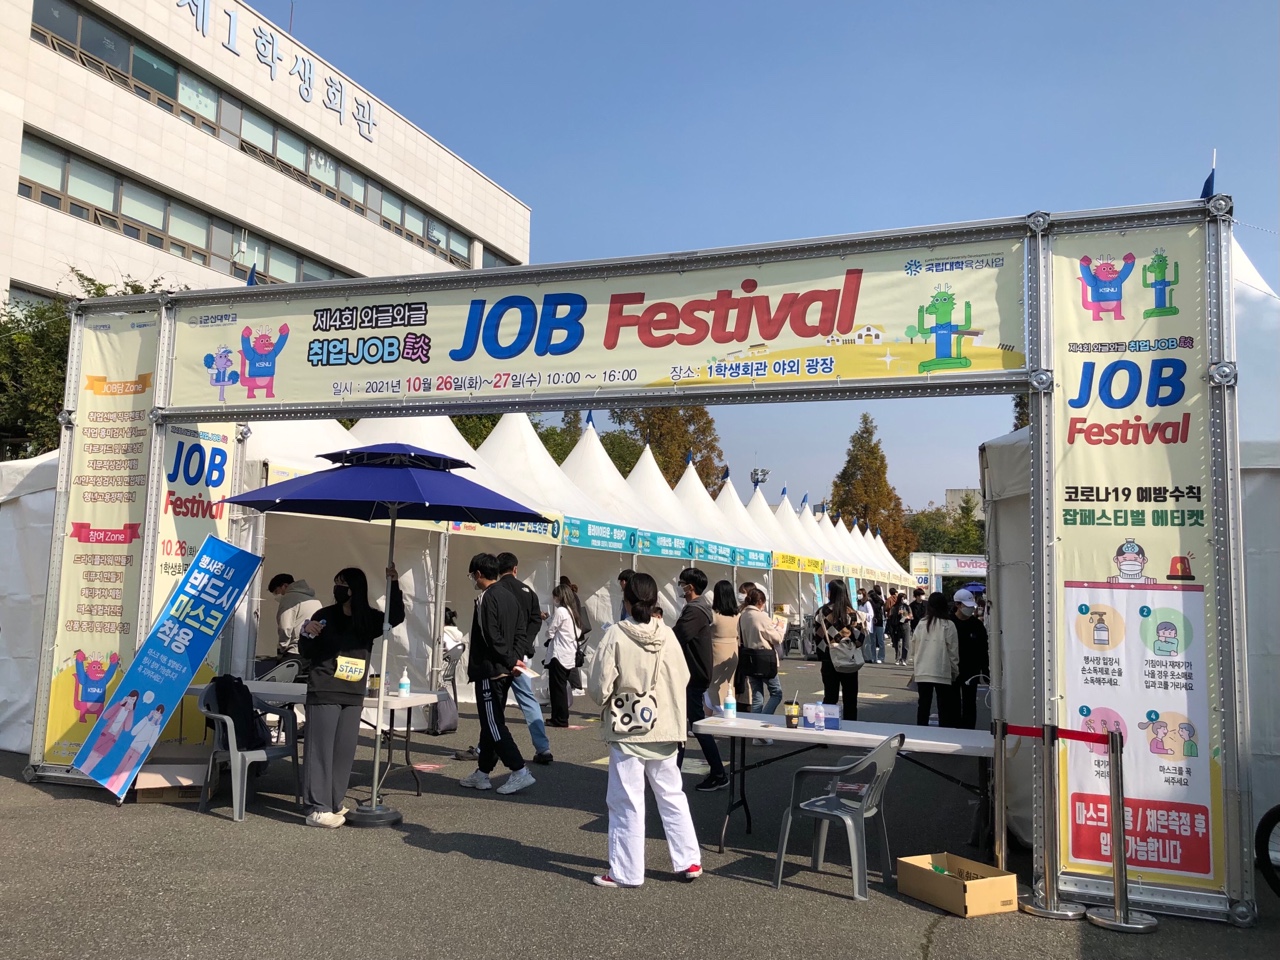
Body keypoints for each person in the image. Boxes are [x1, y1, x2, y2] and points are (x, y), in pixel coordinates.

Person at [587, 572, 702, 887]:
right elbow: (683, 678)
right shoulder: (667, 634)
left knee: (627, 799)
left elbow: (598, 687)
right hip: (665, 726)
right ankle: (689, 859)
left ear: (626, 600)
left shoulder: (616, 635)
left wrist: (611, 697)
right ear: (655, 603)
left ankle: (627, 871)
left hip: (628, 729)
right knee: (671, 794)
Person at [299, 564, 405, 827]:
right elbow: (306, 650)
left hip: (353, 691)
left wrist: (394, 584)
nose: (338, 589)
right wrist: (307, 632)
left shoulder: (367, 619)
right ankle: (317, 808)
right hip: (324, 688)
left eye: (343, 584)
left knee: (344, 750)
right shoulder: (324, 614)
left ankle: (335, 802)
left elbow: (396, 616)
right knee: (320, 749)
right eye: (336, 583)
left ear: (354, 589)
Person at [459, 553, 535, 795]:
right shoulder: (510, 597)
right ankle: (483, 772)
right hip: (506, 669)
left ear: (479, 574)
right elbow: (522, 631)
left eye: (472, 575)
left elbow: (490, 636)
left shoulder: (486, 598)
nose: (472, 579)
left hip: (491, 670)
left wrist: (511, 659)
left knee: (493, 723)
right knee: (490, 722)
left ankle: (519, 770)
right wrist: (517, 658)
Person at [495, 552, 553, 765]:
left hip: (500, 657)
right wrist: (525, 646)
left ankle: (486, 746)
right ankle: (543, 748)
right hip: (521, 658)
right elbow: (535, 620)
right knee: (528, 700)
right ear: (516, 569)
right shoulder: (527, 591)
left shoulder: (496, 590)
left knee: (493, 702)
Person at [672, 567, 727, 791]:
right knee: (690, 723)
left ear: (690, 587)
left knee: (691, 724)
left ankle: (717, 772)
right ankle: (713, 771)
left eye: (681, 583)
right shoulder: (699, 608)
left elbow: (678, 636)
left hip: (692, 674)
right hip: (696, 673)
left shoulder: (694, 611)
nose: (679, 586)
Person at [738, 587, 785, 744]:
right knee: (776, 693)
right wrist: (779, 628)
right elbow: (776, 638)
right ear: (760, 602)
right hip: (765, 658)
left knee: (757, 695)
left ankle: (754, 732)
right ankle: (761, 727)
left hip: (750, 659)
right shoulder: (762, 616)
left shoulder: (743, 615)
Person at [814, 579, 864, 720]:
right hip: (848, 659)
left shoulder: (822, 612)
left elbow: (817, 637)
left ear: (831, 592)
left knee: (830, 697)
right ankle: (850, 730)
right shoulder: (851, 613)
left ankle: (826, 730)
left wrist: (824, 653)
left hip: (829, 658)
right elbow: (860, 638)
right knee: (850, 698)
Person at [912, 591, 960, 728]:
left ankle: (920, 734)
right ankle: (943, 735)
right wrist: (954, 671)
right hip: (942, 669)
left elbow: (914, 647)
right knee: (944, 707)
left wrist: (916, 666)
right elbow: (953, 652)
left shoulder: (922, 623)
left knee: (923, 706)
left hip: (923, 670)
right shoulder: (948, 625)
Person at [105, 704, 165, 795]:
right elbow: (134, 732)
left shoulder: (155, 728)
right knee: (120, 768)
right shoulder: (145, 721)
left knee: (126, 772)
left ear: (161, 716)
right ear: (153, 711)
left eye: (160, 713)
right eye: (157, 711)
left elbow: (151, 743)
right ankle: (110, 786)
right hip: (132, 748)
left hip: (138, 752)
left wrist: (158, 725)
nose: (157, 714)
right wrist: (147, 718)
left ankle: (118, 789)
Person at [951, 588, 990, 730]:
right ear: (957, 604)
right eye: (966, 606)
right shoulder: (949, 623)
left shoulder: (977, 625)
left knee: (970, 703)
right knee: (953, 703)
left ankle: (969, 731)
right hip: (952, 669)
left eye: (971, 607)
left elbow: (984, 650)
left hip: (972, 670)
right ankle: (953, 731)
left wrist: (986, 671)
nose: (969, 609)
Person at [543, 584, 581, 728]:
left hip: (558, 654)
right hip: (569, 653)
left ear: (559, 597)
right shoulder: (572, 612)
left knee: (556, 688)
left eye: (555, 596)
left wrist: (549, 633)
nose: (554, 599)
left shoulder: (561, 611)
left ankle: (559, 718)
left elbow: (552, 630)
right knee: (562, 687)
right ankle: (560, 717)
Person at [79, 690, 138, 776]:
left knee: (98, 758)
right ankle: (82, 771)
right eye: (130, 698)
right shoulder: (119, 706)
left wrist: (131, 711)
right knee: (92, 755)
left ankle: (86, 774)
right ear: (127, 697)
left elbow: (127, 728)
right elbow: (106, 716)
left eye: (133, 700)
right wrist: (120, 703)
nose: (131, 701)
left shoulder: (130, 713)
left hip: (113, 739)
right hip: (105, 734)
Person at [267, 573, 322, 660]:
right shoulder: (314, 599)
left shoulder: (289, 598)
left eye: (277, 592)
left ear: (285, 586)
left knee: (282, 673)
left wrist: (282, 647)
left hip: (295, 651)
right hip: (313, 650)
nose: (278, 596)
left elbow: (285, 627)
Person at [708, 580, 740, 711]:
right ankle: (729, 708)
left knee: (713, 684)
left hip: (716, 648)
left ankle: (714, 709)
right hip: (733, 649)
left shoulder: (713, 613)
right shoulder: (738, 613)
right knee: (729, 683)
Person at [889, 589, 913, 664]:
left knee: (906, 643)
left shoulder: (907, 607)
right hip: (897, 625)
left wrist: (906, 615)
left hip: (906, 625)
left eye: (905, 598)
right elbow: (891, 616)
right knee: (897, 643)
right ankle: (897, 658)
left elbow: (911, 616)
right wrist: (898, 613)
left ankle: (904, 659)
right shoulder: (894, 607)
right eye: (902, 598)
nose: (904, 600)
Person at [868, 585, 886, 664]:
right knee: (875, 641)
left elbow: (881, 603)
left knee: (877, 640)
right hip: (875, 621)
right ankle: (875, 657)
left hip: (877, 621)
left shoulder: (877, 601)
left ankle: (878, 657)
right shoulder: (877, 601)